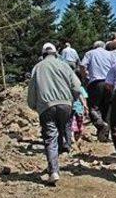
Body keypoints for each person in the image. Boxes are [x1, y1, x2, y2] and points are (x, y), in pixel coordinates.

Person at [27, 43, 81, 185]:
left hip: (46, 106)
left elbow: (32, 90)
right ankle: (59, 156)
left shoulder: (37, 68)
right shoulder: (64, 65)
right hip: (65, 105)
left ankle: (53, 171)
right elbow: (77, 86)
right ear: (56, 53)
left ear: (43, 54)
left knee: (50, 136)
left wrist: (33, 105)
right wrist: (72, 99)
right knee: (60, 131)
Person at [80, 41, 115, 142]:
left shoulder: (90, 53)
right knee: (107, 108)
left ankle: (101, 125)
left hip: (95, 83)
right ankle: (104, 136)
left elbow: (82, 66)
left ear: (94, 46)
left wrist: (85, 77)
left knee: (94, 108)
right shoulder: (110, 54)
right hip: (109, 83)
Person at [71, 70, 89, 141]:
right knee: (79, 124)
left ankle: (73, 136)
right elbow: (84, 98)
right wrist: (86, 107)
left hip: (72, 108)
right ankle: (77, 138)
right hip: (79, 109)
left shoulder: (71, 88)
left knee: (73, 123)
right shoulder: (81, 88)